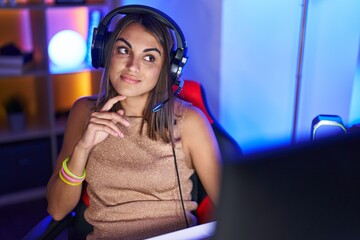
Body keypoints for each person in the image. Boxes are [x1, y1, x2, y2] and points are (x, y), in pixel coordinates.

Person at [46, 5, 222, 240]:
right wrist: (82, 148)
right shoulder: (84, 112)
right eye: (123, 50)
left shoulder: (189, 122)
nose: (132, 66)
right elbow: (57, 210)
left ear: (167, 70)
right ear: (105, 52)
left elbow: (232, 208)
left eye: (149, 57)